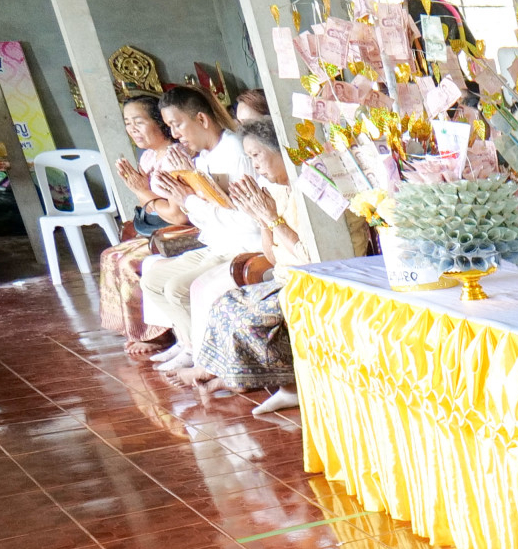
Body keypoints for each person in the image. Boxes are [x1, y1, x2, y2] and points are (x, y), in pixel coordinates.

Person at [186, 120, 347, 414]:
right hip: (285, 277)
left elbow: (316, 260)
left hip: (318, 280)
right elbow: (273, 259)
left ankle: (291, 386)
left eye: (257, 155)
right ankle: (234, 376)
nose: (254, 165)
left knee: (250, 318)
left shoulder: (315, 193)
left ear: (281, 152)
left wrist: (273, 219)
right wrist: (262, 218)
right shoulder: (281, 190)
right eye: (250, 158)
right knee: (226, 303)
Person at [141, 86, 264, 368]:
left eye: (177, 124)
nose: (174, 135)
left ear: (201, 119)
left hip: (242, 246)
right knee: (152, 280)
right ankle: (189, 345)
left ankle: (204, 357)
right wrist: (180, 193)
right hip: (218, 244)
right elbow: (202, 215)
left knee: (177, 288)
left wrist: (189, 199)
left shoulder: (235, 152)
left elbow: (248, 222)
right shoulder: (204, 157)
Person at [98, 96, 183, 345]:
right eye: (127, 123)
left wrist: (141, 191)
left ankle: (154, 333)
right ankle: (131, 328)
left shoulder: (174, 156)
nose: (132, 129)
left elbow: (177, 214)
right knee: (110, 255)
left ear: (160, 123)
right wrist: (141, 191)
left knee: (128, 262)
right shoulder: (148, 157)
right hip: (157, 228)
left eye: (139, 121)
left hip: (177, 229)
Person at [400, 0, 477, 65]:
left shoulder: (450, 10)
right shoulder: (402, 13)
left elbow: (474, 50)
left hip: (455, 75)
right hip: (421, 78)